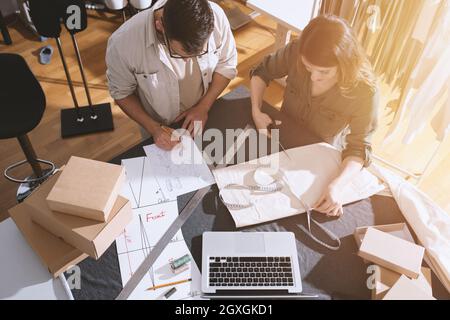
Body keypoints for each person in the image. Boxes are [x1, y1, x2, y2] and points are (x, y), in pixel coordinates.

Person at [250, 15, 379, 217]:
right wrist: (256, 111)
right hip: (279, 141)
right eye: (308, 68)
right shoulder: (297, 50)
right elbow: (261, 71)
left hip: (318, 161)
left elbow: (359, 148)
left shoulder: (364, 91)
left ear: (344, 63)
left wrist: (337, 186)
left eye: (324, 72)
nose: (314, 77)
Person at [106, 0, 237, 150]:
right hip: (158, 127)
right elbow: (121, 93)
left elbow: (226, 63)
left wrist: (204, 106)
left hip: (205, 112)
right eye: (179, 54)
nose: (188, 61)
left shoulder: (215, 16)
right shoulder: (122, 44)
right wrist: (154, 128)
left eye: (199, 53)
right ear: (160, 26)